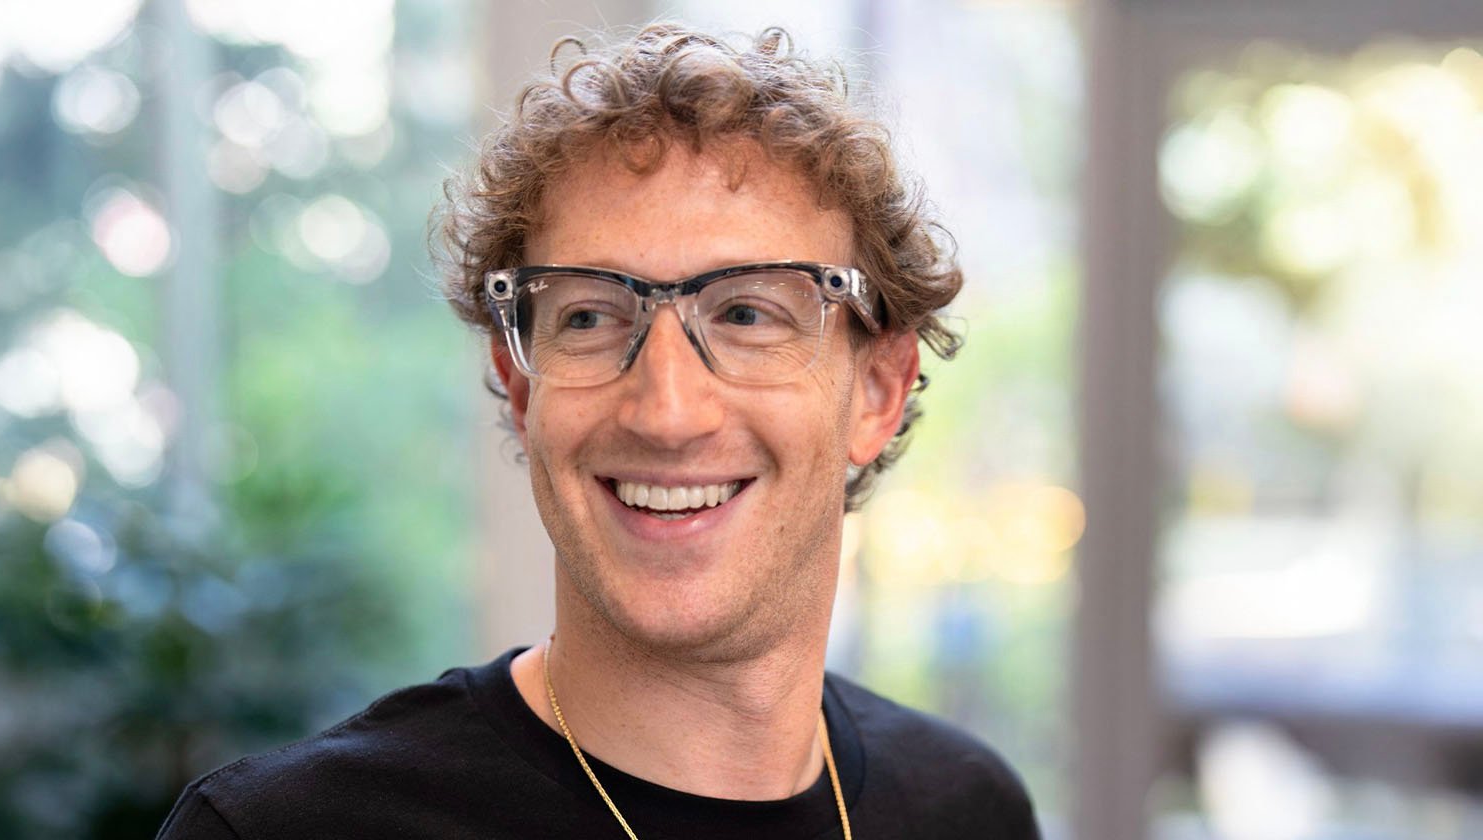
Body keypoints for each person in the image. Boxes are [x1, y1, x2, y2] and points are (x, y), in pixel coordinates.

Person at [158, 22, 1040, 840]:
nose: (666, 410)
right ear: (519, 386)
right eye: (588, 318)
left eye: (745, 312)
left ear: (878, 390)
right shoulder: (288, 831)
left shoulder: (964, 807)